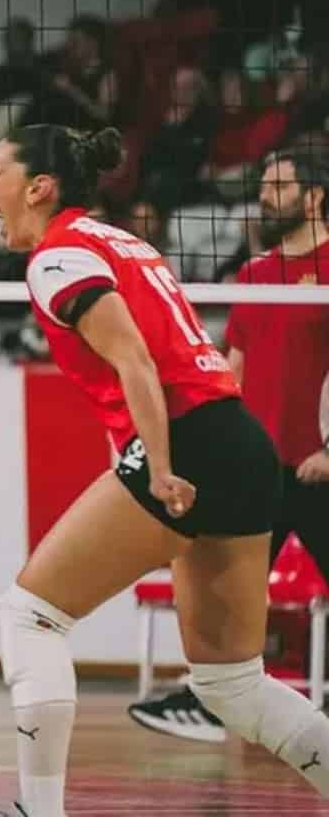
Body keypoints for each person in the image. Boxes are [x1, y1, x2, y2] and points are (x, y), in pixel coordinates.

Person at [0, 124, 329, 817]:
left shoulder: (58, 256)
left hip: (187, 441)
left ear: (39, 187)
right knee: (231, 683)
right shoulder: (120, 241)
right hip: (242, 443)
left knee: (31, 614)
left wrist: (160, 467)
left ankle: (37, 810)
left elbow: (135, 359)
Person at [128, 145, 329, 743]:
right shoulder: (254, 275)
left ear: (315, 198)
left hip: (316, 465)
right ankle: (207, 702)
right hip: (258, 467)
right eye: (263, 185)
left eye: (279, 187)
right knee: (223, 586)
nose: (264, 196)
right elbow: (232, 369)